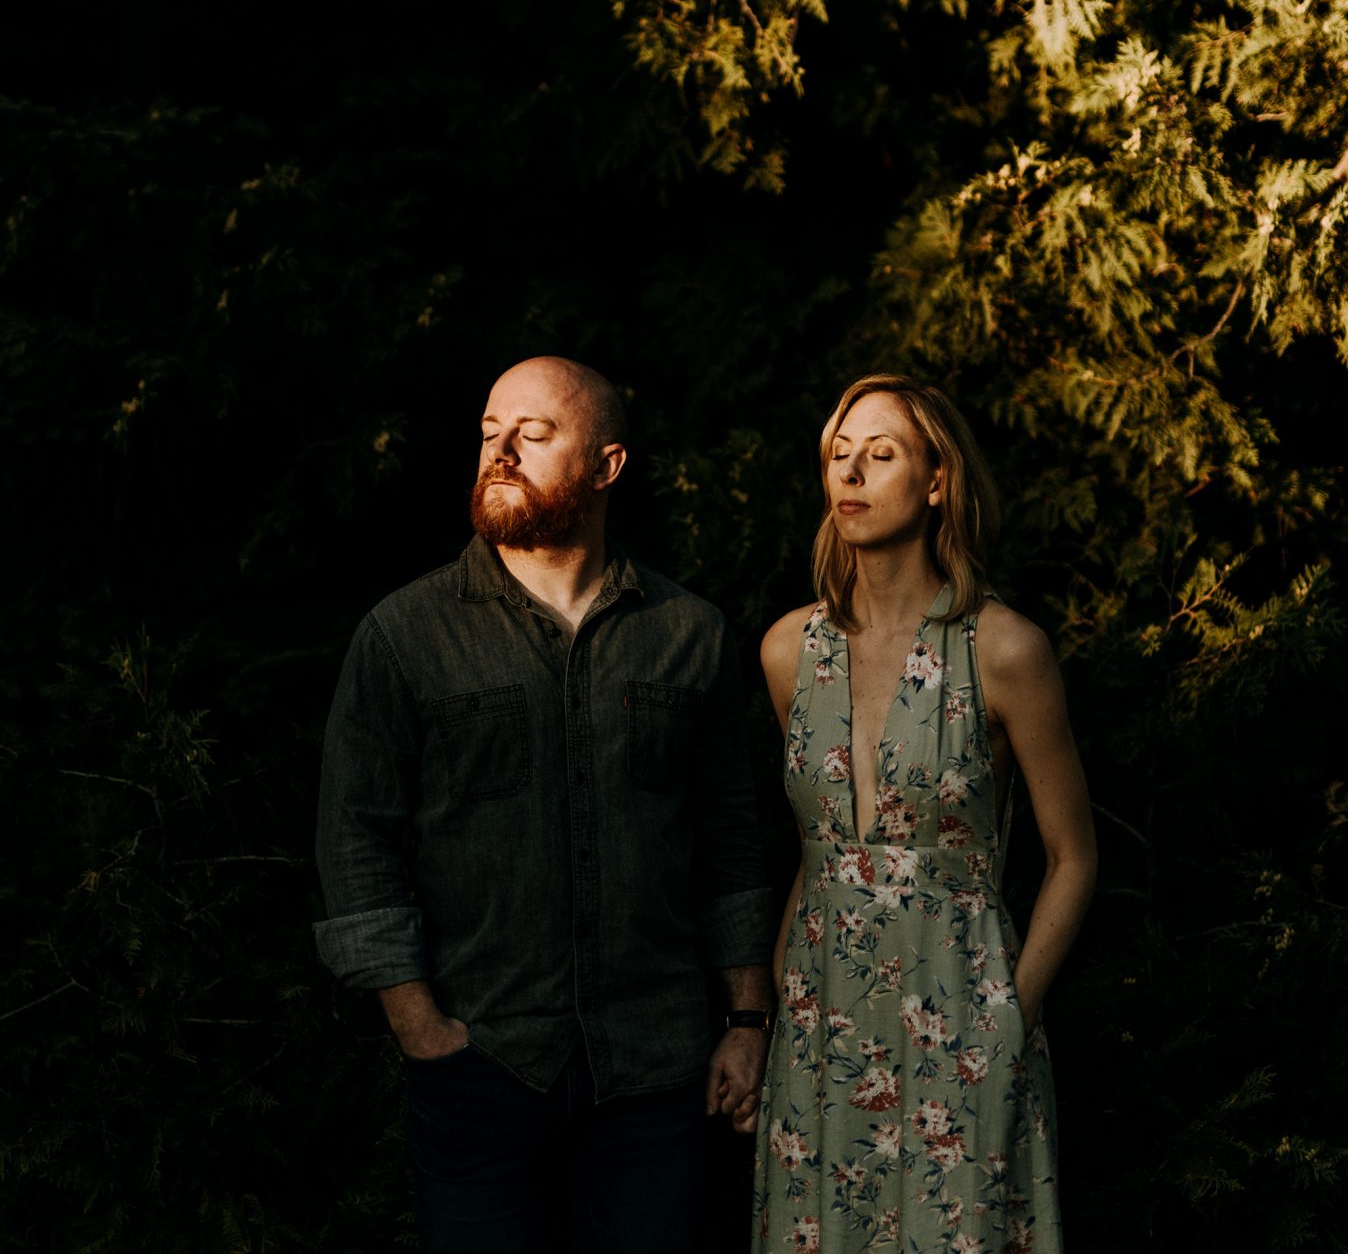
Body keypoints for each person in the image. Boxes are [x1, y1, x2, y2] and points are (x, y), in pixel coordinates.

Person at [313, 355, 778, 1253]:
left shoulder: (690, 635)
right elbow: (356, 842)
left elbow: (732, 844)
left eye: (534, 433)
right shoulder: (405, 634)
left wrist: (748, 1021)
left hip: (655, 1068)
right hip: (482, 1062)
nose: (501, 451)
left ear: (606, 465)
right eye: (490, 432)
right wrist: (421, 1028)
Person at [745, 374, 1098, 1254]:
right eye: (839, 454)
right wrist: (779, 1015)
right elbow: (817, 854)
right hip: (821, 1032)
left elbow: (1074, 857)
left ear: (937, 480)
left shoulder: (1005, 648)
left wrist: (1005, 1022)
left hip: (963, 1026)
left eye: (882, 452)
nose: (852, 472)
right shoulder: (791, 649)